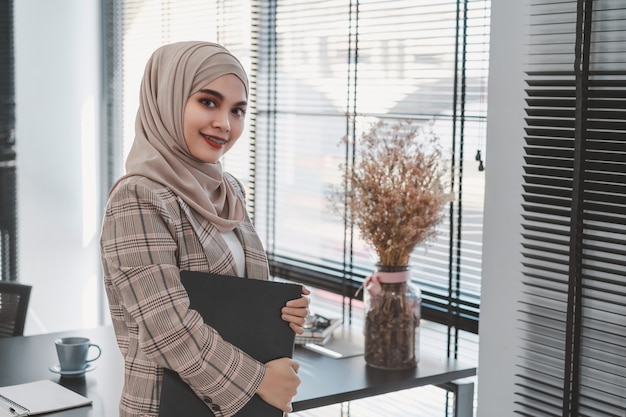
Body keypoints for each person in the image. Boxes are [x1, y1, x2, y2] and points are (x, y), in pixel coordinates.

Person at [100, 41, 310, 417]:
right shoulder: (138, 197)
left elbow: (232, 294)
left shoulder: (228, 191)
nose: (224, 124)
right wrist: (259, 381)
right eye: (208, 102)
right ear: (167, 98)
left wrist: (284, 313)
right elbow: (168, 329)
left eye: (238, 110)